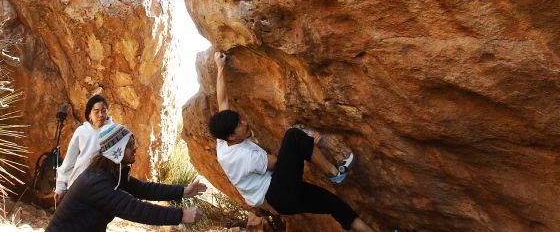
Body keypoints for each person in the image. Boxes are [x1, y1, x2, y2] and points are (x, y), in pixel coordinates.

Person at [209, 51, 376, 232]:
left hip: (281, 201)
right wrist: (306, 145)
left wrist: (220, 67)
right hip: (279, 194)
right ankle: (335, 173)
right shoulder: (243, 157)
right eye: (240, 125)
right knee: (293, 136)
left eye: (241, 119)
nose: (245, 123)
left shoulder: (223, 141)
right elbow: (277, 164)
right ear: (232, 136)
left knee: (333, 203)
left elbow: (223, 101)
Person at [46, 122, 206, 231]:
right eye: (129, 145)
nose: (135, 147)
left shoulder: (112, 173)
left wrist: (183, 191)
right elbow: (133, 209)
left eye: (133, 142)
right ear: (116, 151)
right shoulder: (95, 182)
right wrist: (181, 215)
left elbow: (144, 189)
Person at [54, 94, 113, 205]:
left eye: (104, 111)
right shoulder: (82, 132)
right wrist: (60, 187)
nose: (101, 115)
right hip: (78, 187)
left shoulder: (114, 132)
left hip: (103, 190)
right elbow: (69, 162)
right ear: (89, 114)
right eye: (96, 111)